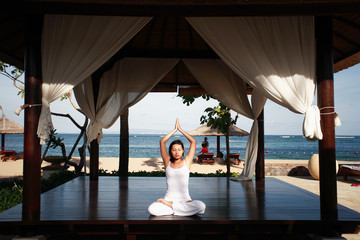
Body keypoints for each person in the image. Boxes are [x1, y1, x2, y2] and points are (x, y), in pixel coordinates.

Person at [148, 118, 206, 216]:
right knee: (152, 209)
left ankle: (173, 207)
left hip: (185, 200)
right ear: (170, 151)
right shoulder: (167, 162)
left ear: (183, 151)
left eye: (179, 149)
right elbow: (162, 142)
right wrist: (174, 130)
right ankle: (179, 209)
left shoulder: (187, 161)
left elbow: (193, 142)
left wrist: (181, 130)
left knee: (202, 206)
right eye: (174, 149)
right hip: (168, 199)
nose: (177, 152)